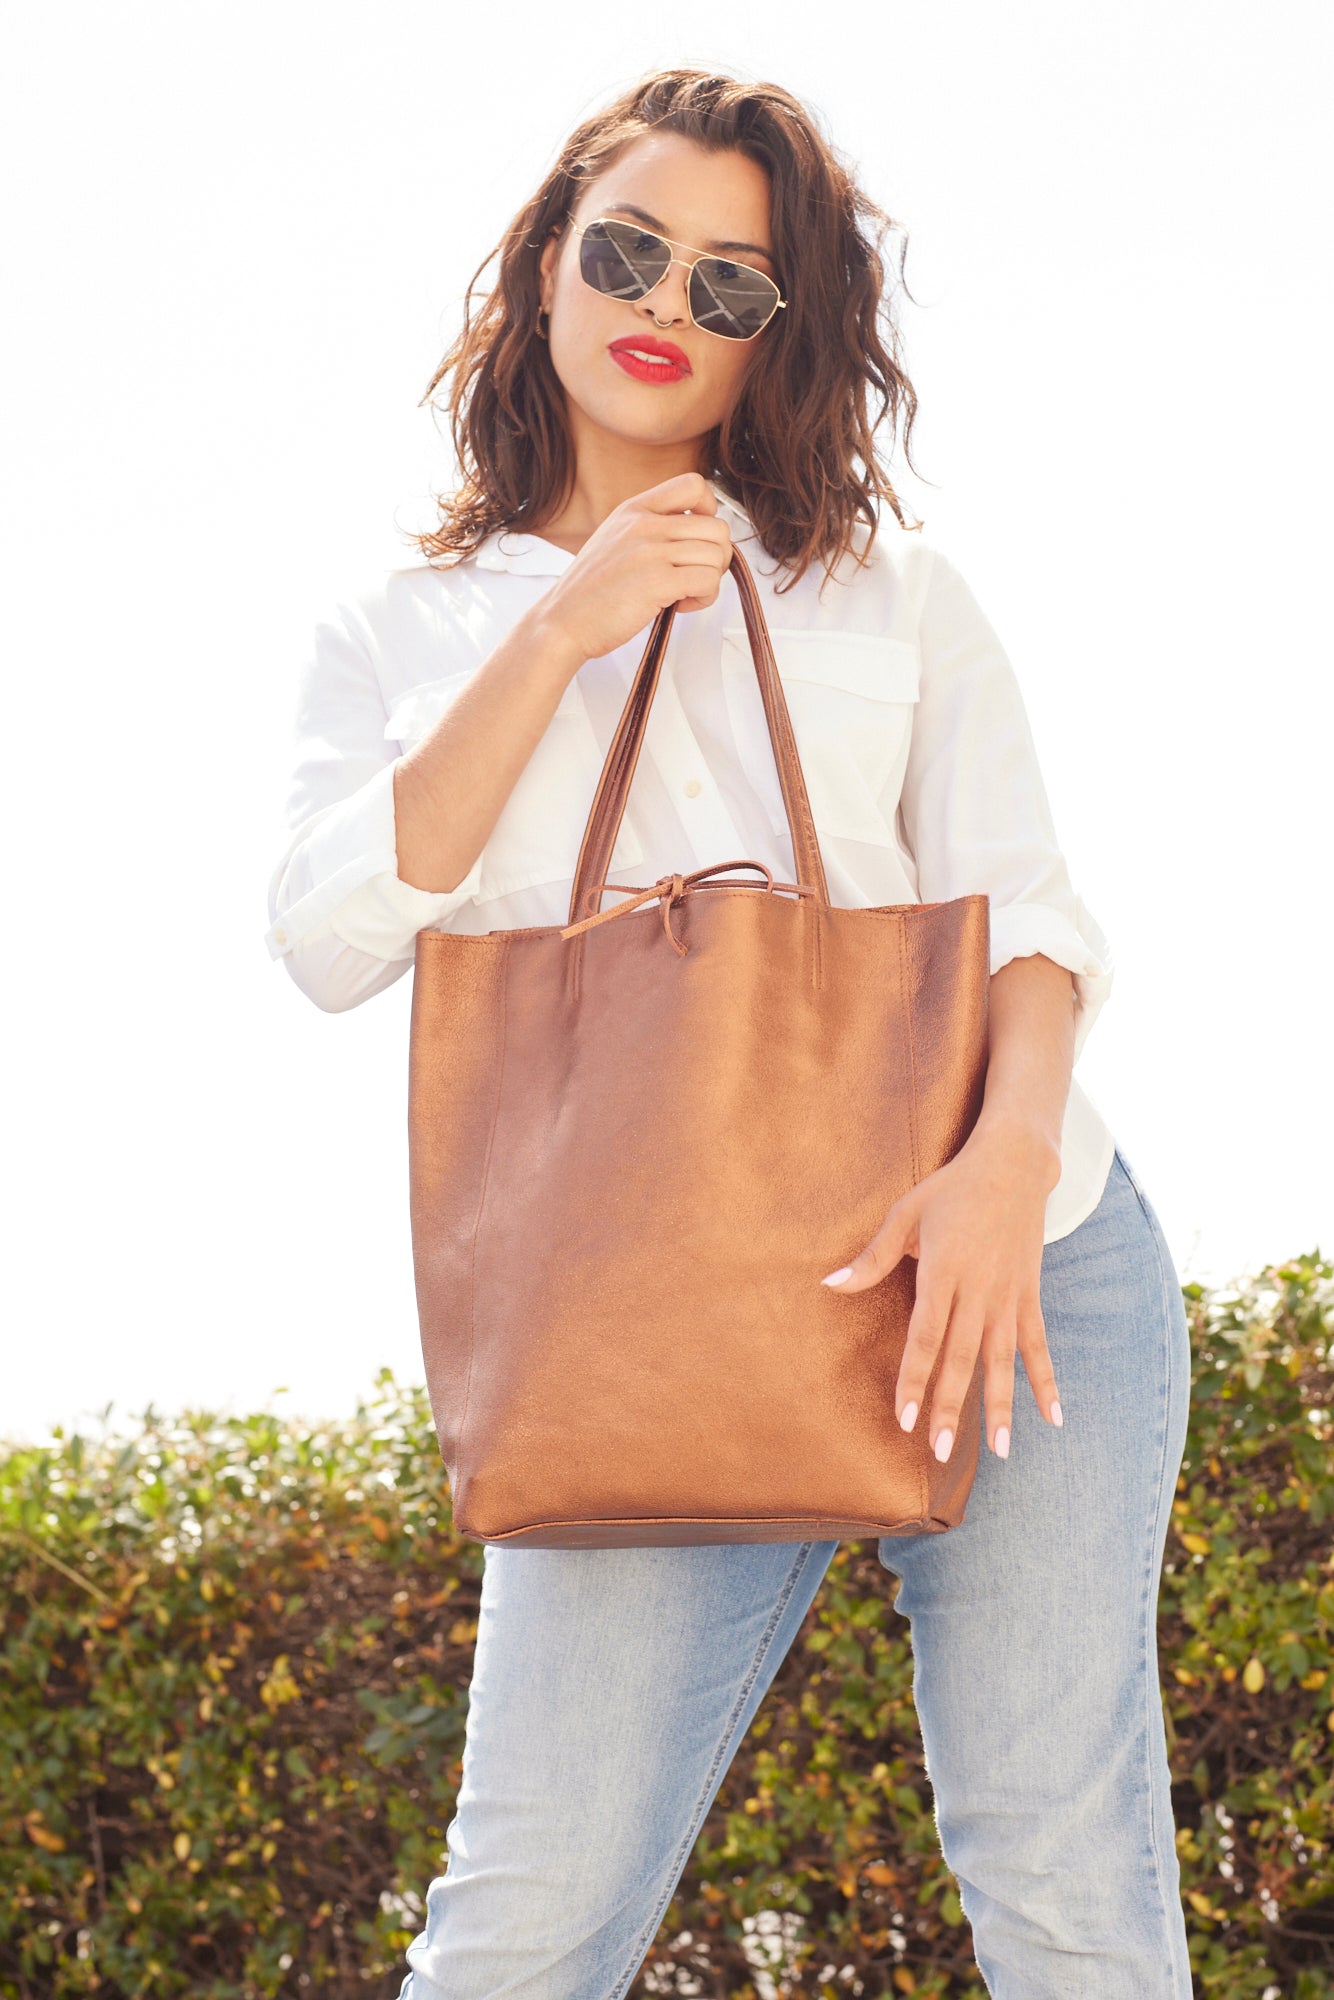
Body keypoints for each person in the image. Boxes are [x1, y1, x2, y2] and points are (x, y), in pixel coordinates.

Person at [264, 66, 1193, 2000]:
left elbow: (1028, 915)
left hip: (1005, 1260)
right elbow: (330, 937)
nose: (665, 303)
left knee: (1059, 1873)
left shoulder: (890, 595)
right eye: (626, 251)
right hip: (643, 1298)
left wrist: (1005, 1171)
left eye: (732, 285)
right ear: (540, 268)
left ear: (784, 335)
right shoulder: (409, 627)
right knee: (525, 1921)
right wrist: (562, 629)